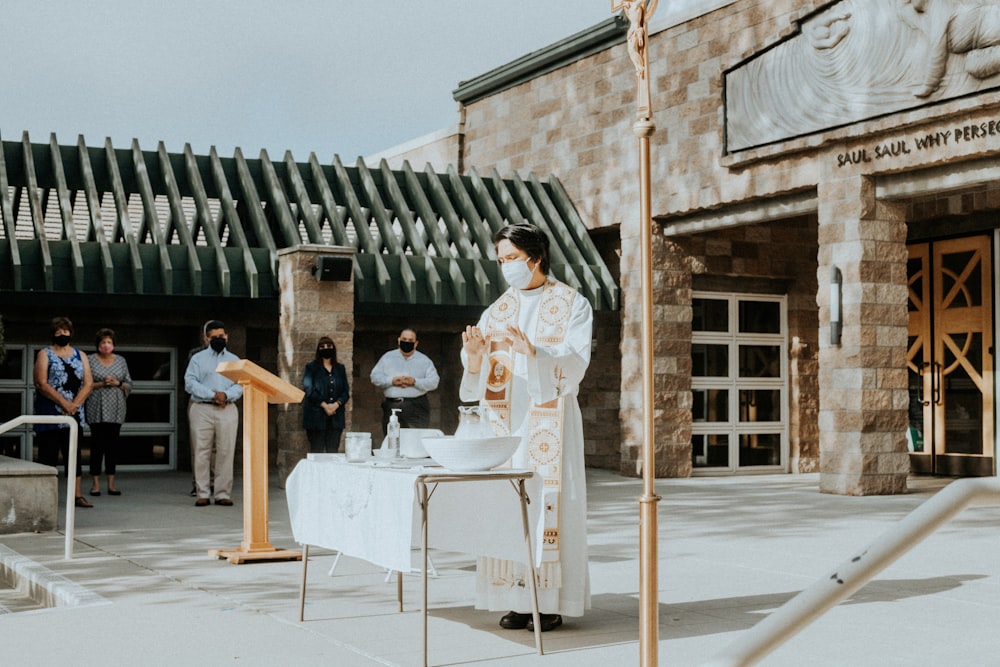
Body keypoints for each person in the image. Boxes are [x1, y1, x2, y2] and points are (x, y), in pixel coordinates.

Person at [460, 223, 594, 633]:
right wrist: (475, 358)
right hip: (507, 426)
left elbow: (576, 363)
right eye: (500, 259)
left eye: (511, 258)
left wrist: (535, 354)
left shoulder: (572, 303)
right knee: (508, 507)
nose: (505, 267)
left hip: (549, 423)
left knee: (546, 505)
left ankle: (548, 601)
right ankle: (513, 598)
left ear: (535, 258)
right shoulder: (497, 310)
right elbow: (478, 384)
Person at [33, 316, 94, 508]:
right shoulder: (45, 354)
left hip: (74, 414)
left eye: (65, 331)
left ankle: (76, 495)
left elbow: (89, 383)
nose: (62, 334)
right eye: (58, 331)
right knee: (47, 455)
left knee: (73, 456)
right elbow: (41, 383)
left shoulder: (80, 355)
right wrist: (63, 403)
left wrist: (74, 405)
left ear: (71, 333)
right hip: (51, 412)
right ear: (53, 333)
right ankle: (45, 497)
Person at [183, 320, 243, 507]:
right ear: (207, 338)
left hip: (227, 408)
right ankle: (202, 492)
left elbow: (240, 383)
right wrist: (212, 395)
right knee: (201, 451)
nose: (220, 339)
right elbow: (190, 382)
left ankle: (222, 493)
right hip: (202, 408)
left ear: (227, 336)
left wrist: (226, 395)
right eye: (215, 337)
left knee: (226, 451)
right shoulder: (198, 359)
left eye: (222, 336)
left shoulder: (234, 359)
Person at [85, 328, 132, 496]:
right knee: (97, 446)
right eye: (103, 342)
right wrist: (101, 384)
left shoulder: (120, 360)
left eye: (109, 342)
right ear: (98, 344)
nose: (106, 345)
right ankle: (95, 484)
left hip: (116, 409)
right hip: (96, 408)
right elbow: (85, 384)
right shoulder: (89, 360)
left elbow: (129, 384)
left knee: (112, 446)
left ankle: (112, 484)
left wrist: (117, 383)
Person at [370, 328, 439, 436]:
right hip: (392, 405)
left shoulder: (424, 360)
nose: (407, 342)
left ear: (416, 343)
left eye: (410, 340)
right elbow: (375, 377)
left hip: (417, 407)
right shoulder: (387, 358)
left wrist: (415, 382)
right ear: (398, 340)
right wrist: (391, 381)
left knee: (416, 440)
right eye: (404, 339)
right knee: (392, 440)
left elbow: (434, 382)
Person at [302, 336, 350, 453]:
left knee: (333, 451)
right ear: (318, 350)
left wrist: (336, 405)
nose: (326, 348)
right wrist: (325, 406)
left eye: (329, 346)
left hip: (336, 417)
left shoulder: (340, 368)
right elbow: (309, 390)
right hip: (316, 417)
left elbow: (345, 392)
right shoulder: (311, 368)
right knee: (317, 450)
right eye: (322, 347)